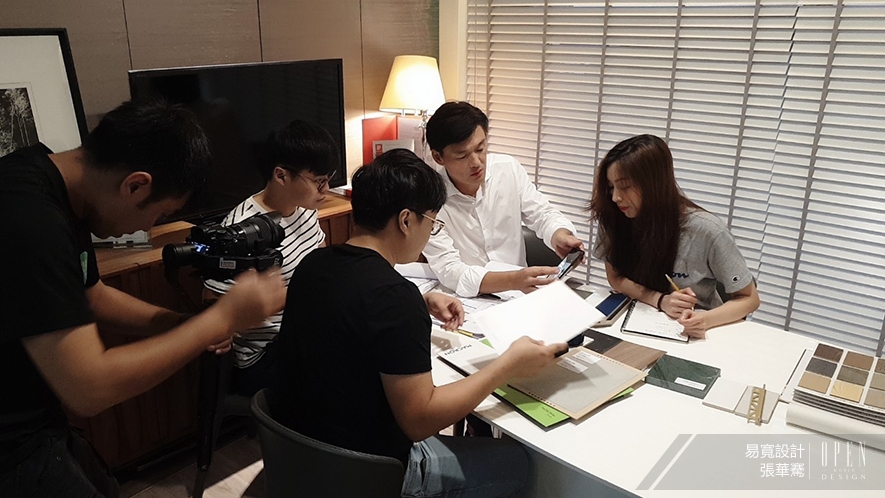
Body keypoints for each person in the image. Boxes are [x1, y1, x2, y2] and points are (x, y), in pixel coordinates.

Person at [0, 99, 286, 498]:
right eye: (161, 214)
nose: (151, 226)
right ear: (135, 185)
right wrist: (219, 320)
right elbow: (88, 388)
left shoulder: (60, 187)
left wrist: (181, 324)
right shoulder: (30, 220)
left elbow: (91, 296)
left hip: (38, 419)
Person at [275, 149, 566, 497]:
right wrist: (508, 365)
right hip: (369, 471)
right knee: (516, 462)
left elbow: (351, 308)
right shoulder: (394, 299)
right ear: (406, 220)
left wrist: (419, 299)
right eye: (433, 223)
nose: (430, 233)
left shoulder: (314, 265)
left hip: (300, 453)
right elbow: (420, 420)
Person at [203, 120, 339, 396]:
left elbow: (320, 267)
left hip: (304, 332)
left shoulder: (305, 209)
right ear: (281, 175)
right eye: (318, 181)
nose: (326, 189)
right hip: (264, 353)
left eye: (328, 179)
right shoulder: (243, 229)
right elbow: (212, 299)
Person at [589, 134, 760, 339]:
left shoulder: (706, 230)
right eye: (611, 187)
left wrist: (705, 320)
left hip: (690, 331)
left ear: (654, 183)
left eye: (624, 186)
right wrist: (660, 300)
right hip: (633, 323)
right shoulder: (615, 217)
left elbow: (749, 299)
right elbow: (615, 277)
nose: (616, 197)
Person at [422, 101, 584, 297]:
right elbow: (449, 269)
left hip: (520, 296)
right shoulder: (427, 199)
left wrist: (559, 234)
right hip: (466, 300)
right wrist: (512, 281)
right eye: (462, 156)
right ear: (438, 157)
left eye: (480, 149)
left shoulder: (508, 169)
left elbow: (543, 214)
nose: (476, 163)